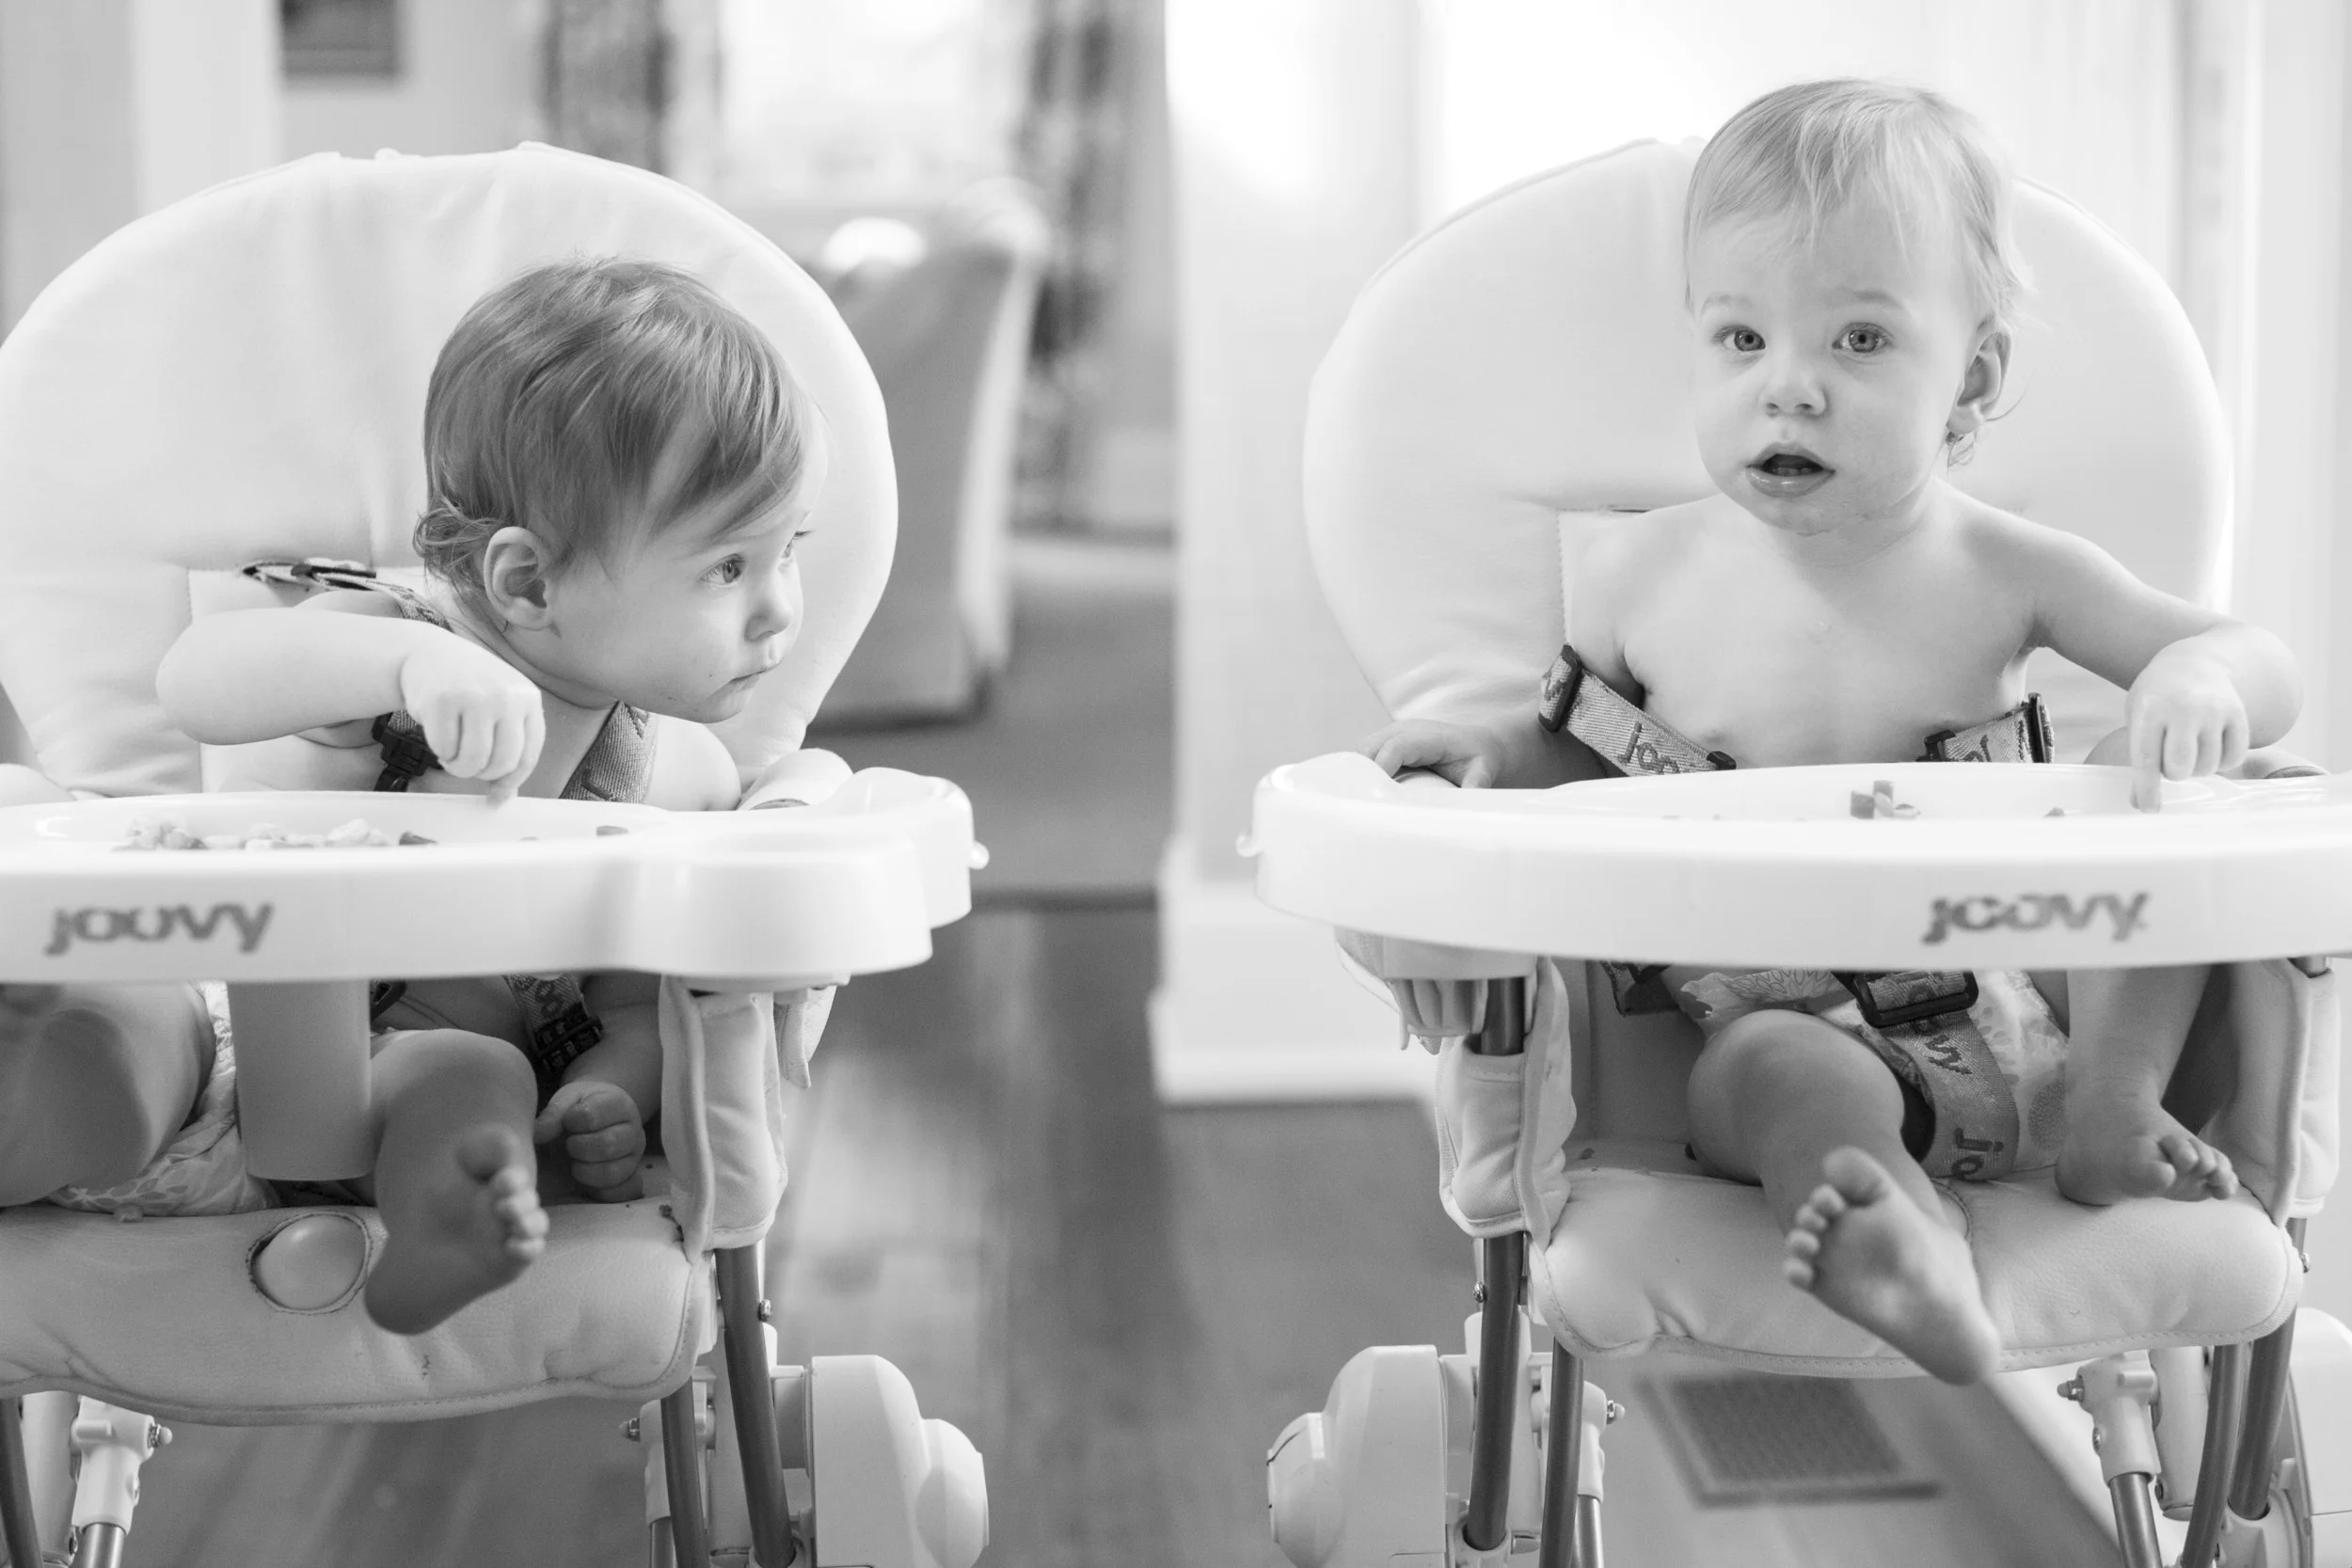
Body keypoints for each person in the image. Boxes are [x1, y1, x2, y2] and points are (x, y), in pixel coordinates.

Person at [1359, 80, 2300, 1383]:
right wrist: (1488, 751)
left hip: (2025, 994)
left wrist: (2198, 682)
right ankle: (1893, 1238)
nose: (1789, 388)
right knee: (1775, 1074)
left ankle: (2111, 1106)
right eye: (1742, 339)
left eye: (1859, 340)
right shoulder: (1640, 575)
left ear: (1972, 376)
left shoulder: (2010, 566)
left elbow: (2258, 662)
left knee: (2152, 802)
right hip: (1773, 1013)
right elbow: (1580, 749)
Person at [0, 257, 825, 1335]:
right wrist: (400, 668)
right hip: (216, 1026)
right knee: (114, 1048)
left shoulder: (682, 779)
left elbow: (639, 1001)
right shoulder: (399, 646)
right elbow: (197, 679)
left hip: (398, 1084)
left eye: (788, 553)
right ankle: (26, 1099)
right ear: (526, 581)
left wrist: (610, 1092)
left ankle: (444, 1227)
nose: (779, 610)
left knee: (478, 1084)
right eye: (727, 567)